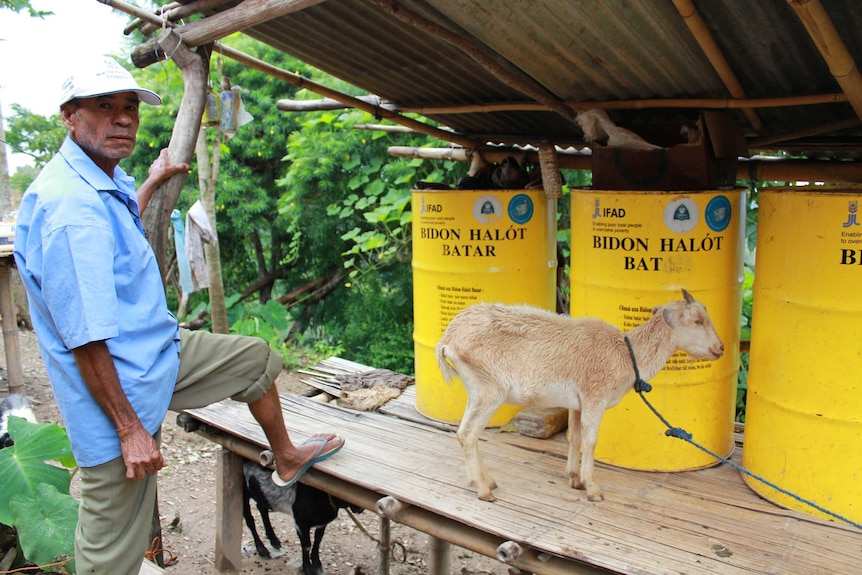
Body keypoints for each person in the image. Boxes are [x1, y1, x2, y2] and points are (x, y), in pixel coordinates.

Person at [13, 57, 344, 575]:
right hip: (114, 391)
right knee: (111, 550)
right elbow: (85, 340)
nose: (123, 119)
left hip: (156, 355)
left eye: (129, 108)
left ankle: (285, 457)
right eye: (105, 106)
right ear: (69, 116)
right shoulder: (70, 212)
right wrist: (130, 431)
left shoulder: (97, 178)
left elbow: (117, 221)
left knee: (256, 359)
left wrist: (149, 182)